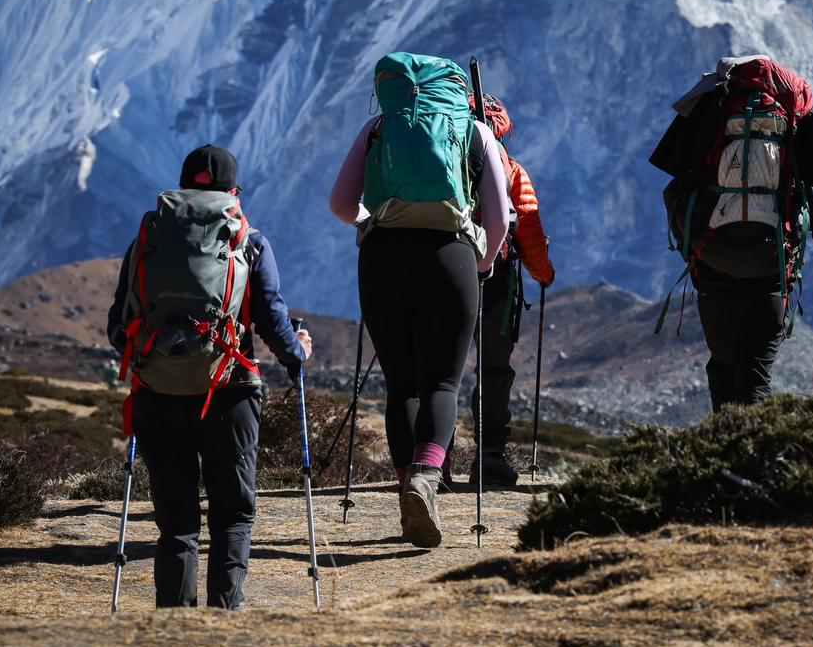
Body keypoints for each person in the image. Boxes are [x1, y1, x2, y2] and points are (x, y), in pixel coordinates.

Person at [106, 145, 311, 610]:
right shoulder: (249, 241)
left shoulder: (148, 239)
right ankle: (224, 619)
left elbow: (118, 326)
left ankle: (175, 626)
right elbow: (272, 320)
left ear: (182, 188)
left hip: (158, 392)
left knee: (176, 521)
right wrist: (298, 352)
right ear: (233, 192)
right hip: (229, 391)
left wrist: (161, 358)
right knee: (232, 514)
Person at [328, 54, 510, 548]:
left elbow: (340, 205)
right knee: (442, 383)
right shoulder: (476, 131)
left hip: (383, 257)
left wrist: (374, 220)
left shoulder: (378, 127)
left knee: (401, 386)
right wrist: (482, 263)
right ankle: (427, 482)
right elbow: (499, 217)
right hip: (450, 257)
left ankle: (409, 485)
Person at [661, 57, 813, 411]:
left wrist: (694, 248)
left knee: (722, 365)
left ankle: (722, 454)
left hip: (713, 269)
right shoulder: (791, 130)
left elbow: (675, 192)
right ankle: (751, 457)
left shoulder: (713, 122)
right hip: (769, 273)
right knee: (755, 374)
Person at [464, 94, 556, 488]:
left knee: (437, 368)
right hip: (494, 278)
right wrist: (544, 275)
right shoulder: (511, 169)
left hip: (437, 271)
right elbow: (529, 230)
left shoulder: (438, 164)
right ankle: (489, 458)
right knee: (494, 369)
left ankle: (433, 458)